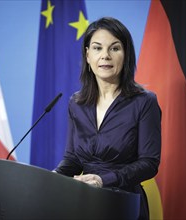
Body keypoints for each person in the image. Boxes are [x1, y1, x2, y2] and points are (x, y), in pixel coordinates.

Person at [54, 17, 161, 219]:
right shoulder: (76, 103)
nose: (105, 56)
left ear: (126, 55)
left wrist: (104, 180)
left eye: (114, 48)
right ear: (87, 55)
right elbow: (72, 159)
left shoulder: (145, 102)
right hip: (84, 203)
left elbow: (149, 163)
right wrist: (50, 178)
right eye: (97, 48)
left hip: (124, 203)